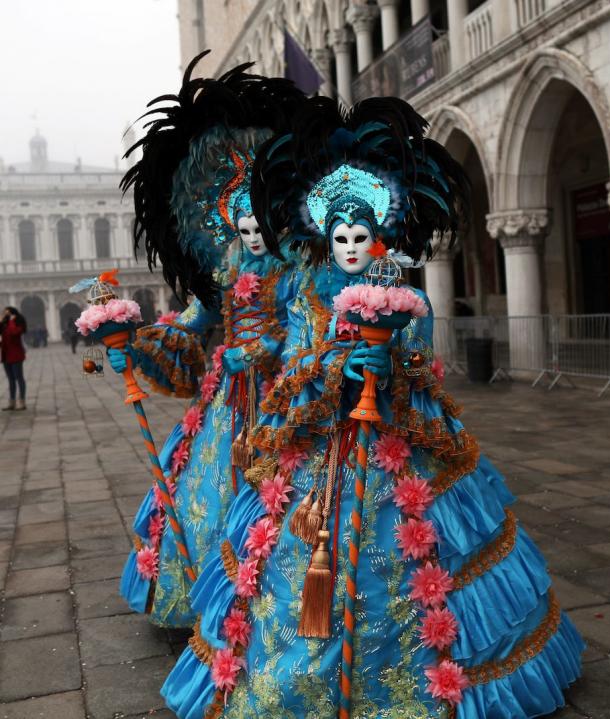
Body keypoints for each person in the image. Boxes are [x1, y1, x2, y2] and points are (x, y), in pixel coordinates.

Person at [162, 98, 583, 719]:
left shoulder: (406, 297)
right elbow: (297, 371)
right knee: (292, 571)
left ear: (378, 236)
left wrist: (390, 367)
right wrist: (337, 368)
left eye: (362, 237)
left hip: (396, 452)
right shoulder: (306, 298)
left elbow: (425, 375)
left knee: (423, 564)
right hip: (319, 458)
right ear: (324, 237)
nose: (352, 246)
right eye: (340, 237)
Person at [108, 53, 308, 629]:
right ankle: (204, 597)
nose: (250, 238)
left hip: (280, 391)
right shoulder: (224, 271)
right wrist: (138, 334)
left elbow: (302, 324)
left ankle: (259, 607)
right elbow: (195, 320)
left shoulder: (291, 269)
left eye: (258, 229)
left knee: (279, 493)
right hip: (228, 397)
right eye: (241, 230)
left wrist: (271, 352)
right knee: (206, 484)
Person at [1, 307, 27, 411]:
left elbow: (14, 333)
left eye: (8, 313)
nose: (6, 315)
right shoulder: (4, 325)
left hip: (16, 355)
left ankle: (22, 401)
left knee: (19, 378)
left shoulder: (18, 324)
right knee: (10, 380)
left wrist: (12, 321)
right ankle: (12, 402)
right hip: (6, 356)